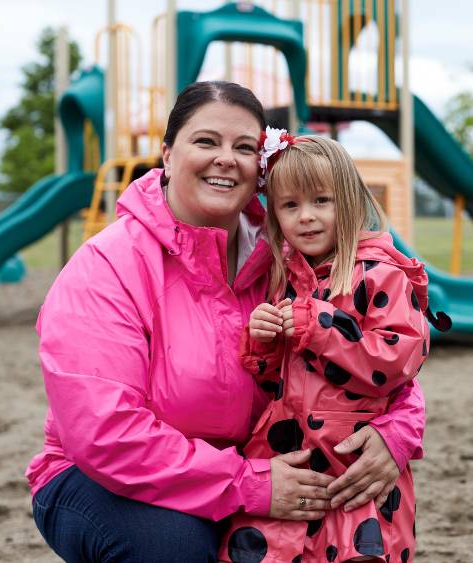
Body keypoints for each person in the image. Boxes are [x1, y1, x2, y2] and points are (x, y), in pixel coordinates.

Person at [26, 81, 427, 562]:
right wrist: (247, 483)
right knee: (172, 547)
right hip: (106, 477)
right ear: (168, 154)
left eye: (243, 147)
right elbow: (106, 435)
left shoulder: (291, 260)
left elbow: (376, 349)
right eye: (206, 141)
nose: (225, 159)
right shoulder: (107, 268)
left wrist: (397, 432)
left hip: (261, 464)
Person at [220, 133, 449, 563]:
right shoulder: (280, 275)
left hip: (354, 457)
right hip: (288, 452)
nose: (305, 217)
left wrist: (320, 326)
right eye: (290, 205)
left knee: (355, 552)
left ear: (347, 200)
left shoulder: (380, 272)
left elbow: (398, 362)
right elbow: (274, 380)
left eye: (320, 201)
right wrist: (262, 342)